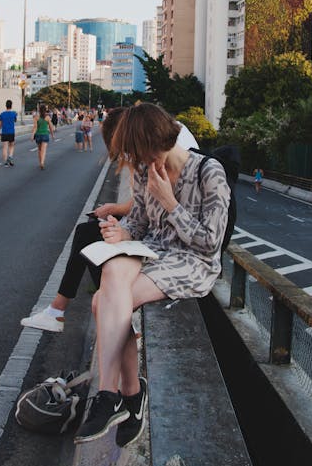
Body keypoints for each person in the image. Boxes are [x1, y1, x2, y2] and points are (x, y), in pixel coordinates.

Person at [73, 103, 230, 447]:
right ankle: (112, 396)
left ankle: (125, 395)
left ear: (160, 142)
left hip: (192, 262)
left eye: (142, 153)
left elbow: (210, 243)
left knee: (103, 302)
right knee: (112, 268)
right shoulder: (146, 172)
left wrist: (170, 203)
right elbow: (140, 224)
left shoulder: (209, 172)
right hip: (153, 251)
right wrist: (121, 232)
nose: (141, 163)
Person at [20, 111, 200, 333]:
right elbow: (146, 200)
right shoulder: (159, 135)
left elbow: (153, 201)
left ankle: (76, 308)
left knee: (89, 234)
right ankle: (64, 309)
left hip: (171, 234)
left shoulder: (161, 147)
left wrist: (114, 210)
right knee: (92, 232)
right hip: (165, 225)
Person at [31, 104, 55, 170]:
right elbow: (51, 127)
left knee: (39, 150)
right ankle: (42, 162)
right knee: (43, 150)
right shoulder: (47, 117)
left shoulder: (36, 117)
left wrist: (32, 135)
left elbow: (35, 127)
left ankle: (40, 162)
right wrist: (52, 135)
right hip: (45, 135)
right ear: (45, 110)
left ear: (39, 110)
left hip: (38, 135)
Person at [0, 99, 17, 166]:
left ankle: (5, 162)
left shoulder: (2, 114)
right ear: (11, 106)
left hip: (4, 132)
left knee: (5, 147)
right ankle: (10, 157)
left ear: (5, 106)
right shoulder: (13, 114)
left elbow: (0, 124)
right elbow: (15, 121)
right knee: (11, 146)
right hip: (11, 132)